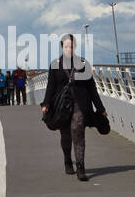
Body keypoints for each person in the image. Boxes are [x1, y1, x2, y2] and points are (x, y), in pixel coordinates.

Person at [40, 35, 107, 181]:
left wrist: (100, 108)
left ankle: (81, 168)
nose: (69, 49)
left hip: (80, 103)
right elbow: (50, 86)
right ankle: (67, 160)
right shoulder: (55, 64)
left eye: (71, 46)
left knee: (78, 132)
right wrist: (46, 104)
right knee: (66, 135)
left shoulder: (83, 63)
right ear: (62, 47)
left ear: (75, 47)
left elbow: (91, 88)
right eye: (66, 46)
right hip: (62, 105)